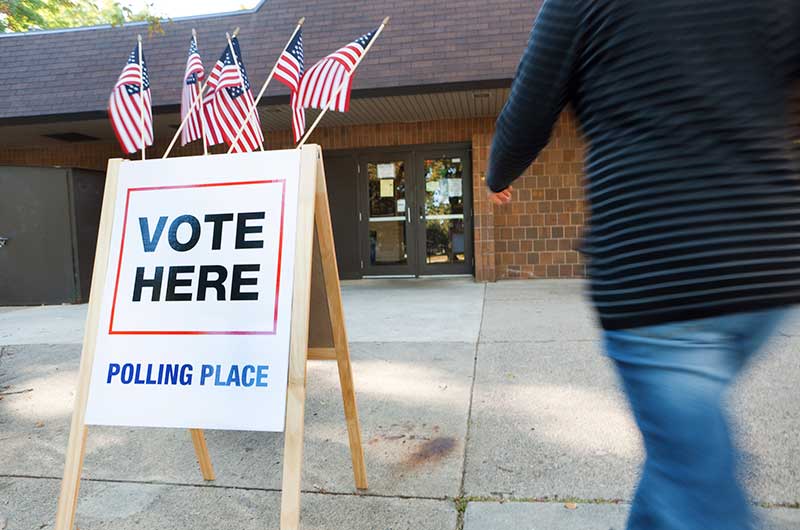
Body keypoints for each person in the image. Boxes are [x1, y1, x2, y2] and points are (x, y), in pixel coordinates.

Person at [486, 1, 799, 529]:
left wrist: (498, 173)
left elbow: (528, 109)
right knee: (680, 464)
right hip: (766, 268)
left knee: (695, 487)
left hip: (659, 274)